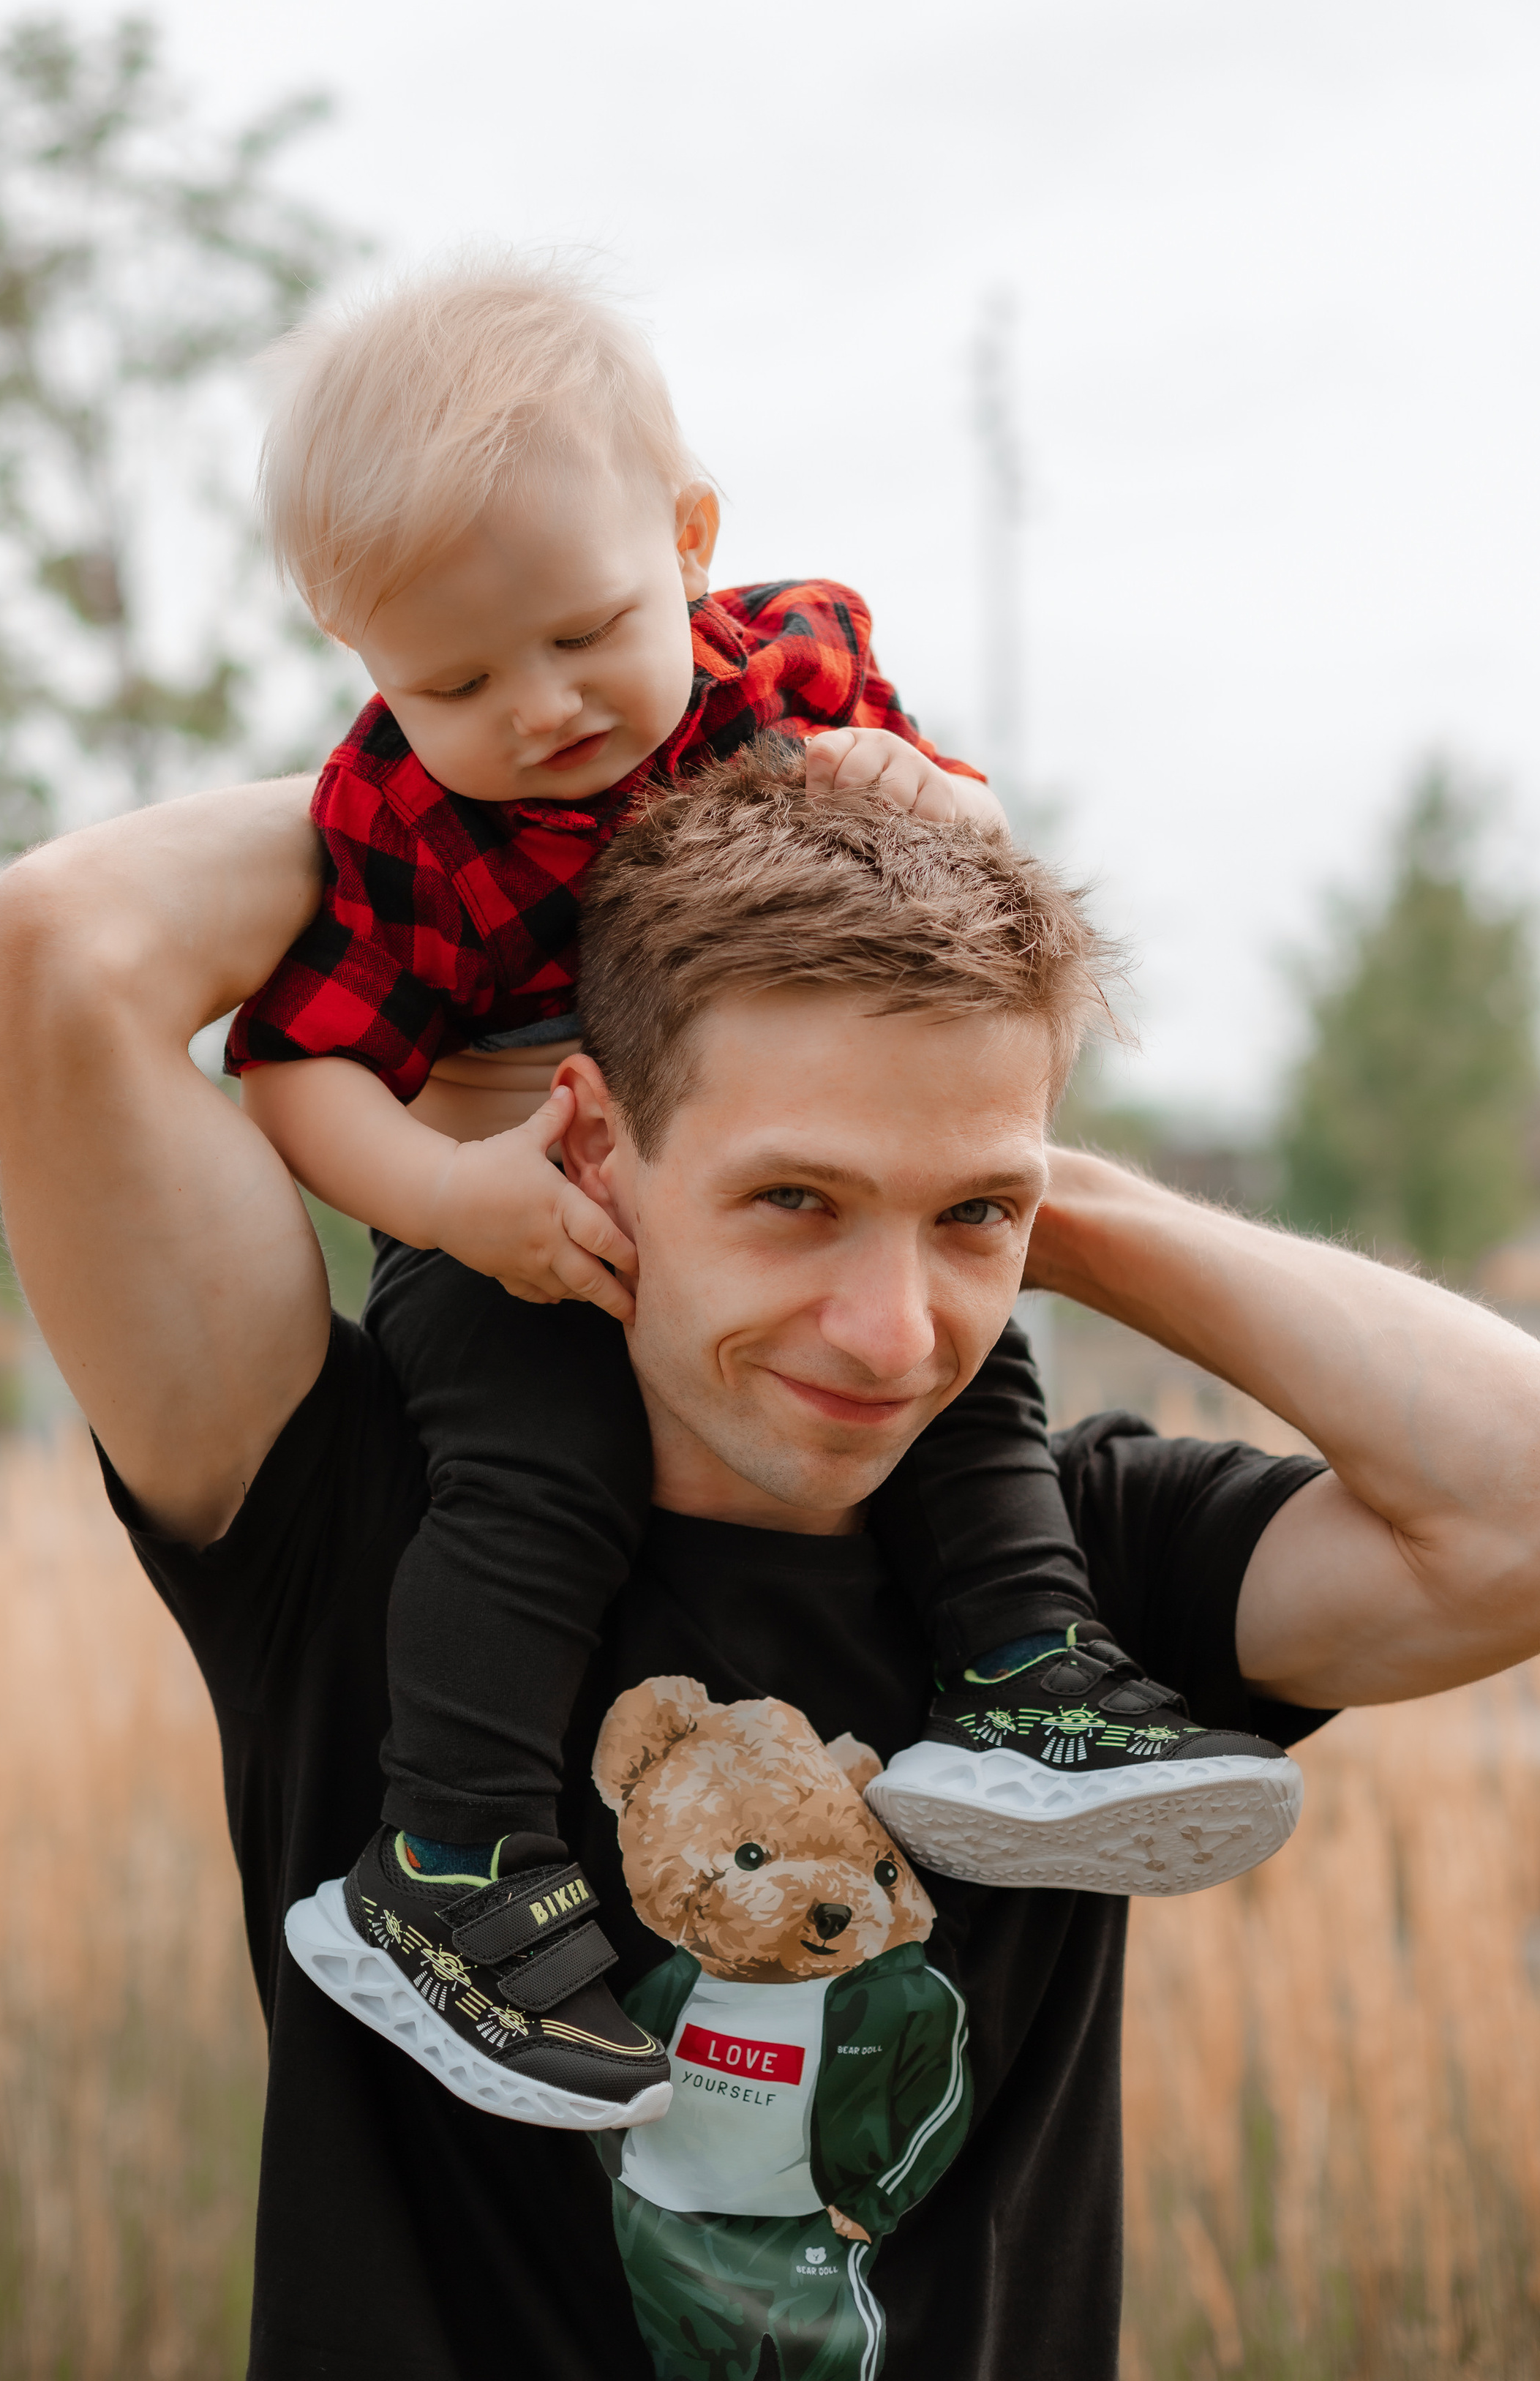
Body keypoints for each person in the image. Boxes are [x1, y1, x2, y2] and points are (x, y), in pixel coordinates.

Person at [0, 756, 1540, 2381]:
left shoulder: (1066, 1579)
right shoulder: (357, 1511)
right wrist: (623, 751)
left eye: (973, 1218)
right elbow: (67, 946)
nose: (892, 1335)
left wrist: (1037, 1185)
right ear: (592, 1146)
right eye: (796, 1197)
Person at [220, 260, 1293, 2132]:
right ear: (354, 650)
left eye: (583, 632)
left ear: (688, 538)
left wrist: (932, 792)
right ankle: (448, 1860)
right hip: (522, 1223)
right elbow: (294, 1067)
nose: (540, 708)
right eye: (452, 678)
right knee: (532, 1471)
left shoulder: (787, 673)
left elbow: (958, 896)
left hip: (791, 1184)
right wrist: (449, 1198)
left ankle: (1023, 1675)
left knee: (958, 1370)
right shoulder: (395, 818)